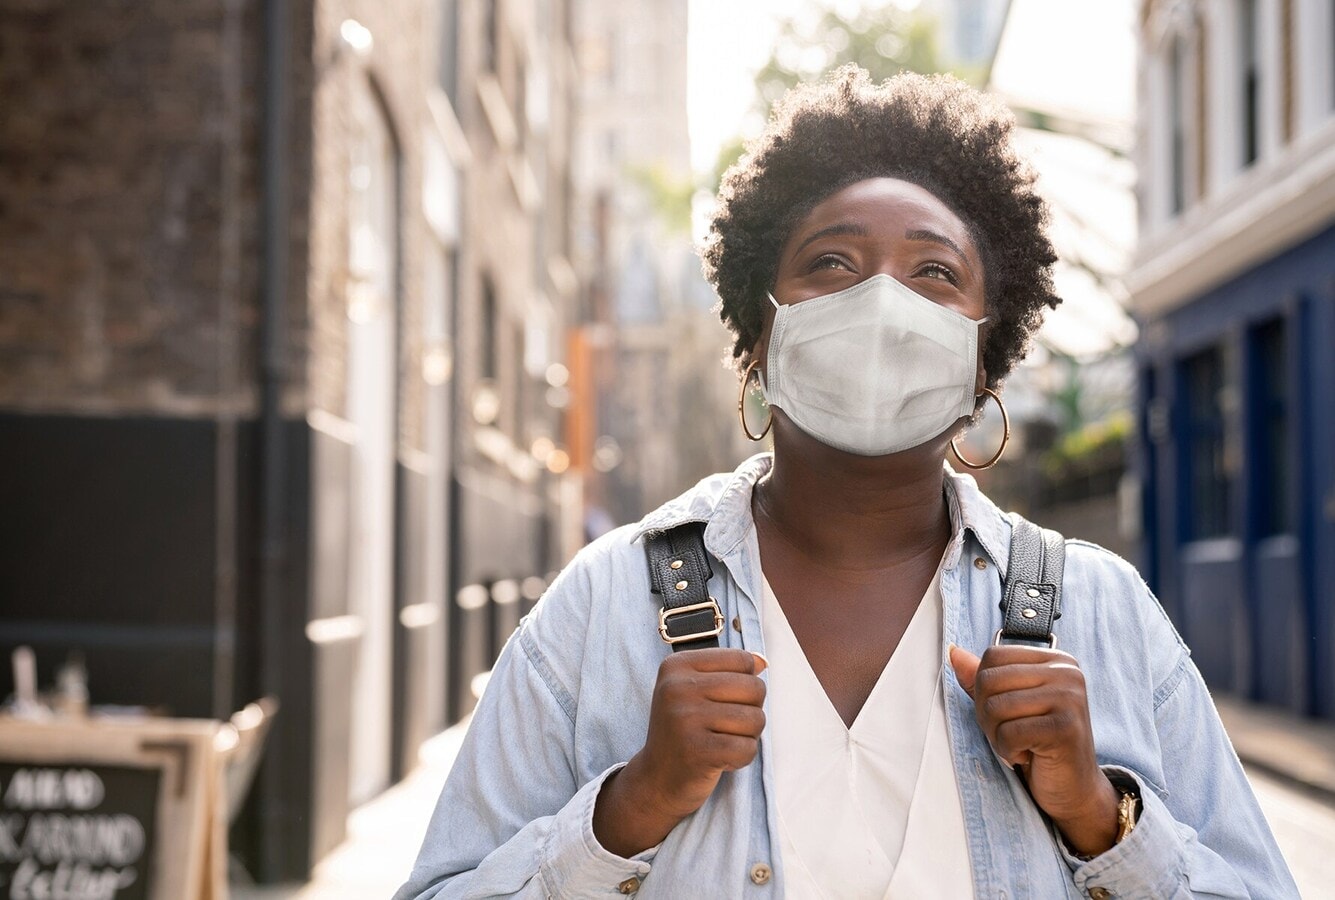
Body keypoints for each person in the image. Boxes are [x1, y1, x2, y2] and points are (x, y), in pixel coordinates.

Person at [395, 68, 1297, 899]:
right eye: (831, 263)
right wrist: (624, 813)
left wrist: (1104, 822)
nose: (881, 303)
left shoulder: (1101, 612)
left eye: (934, 273)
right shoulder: (605, 607)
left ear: (987, 356)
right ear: (759, 333)